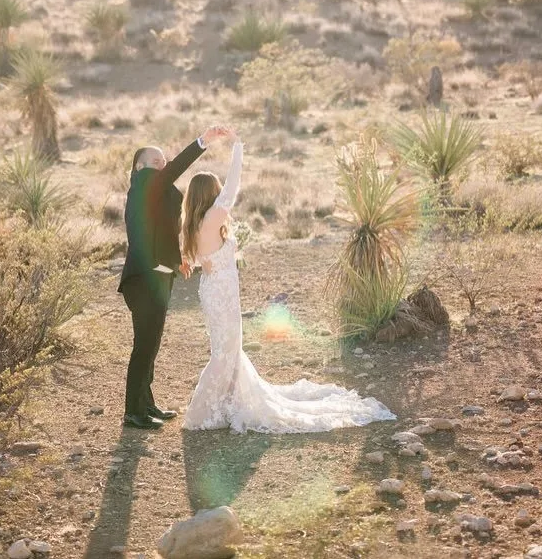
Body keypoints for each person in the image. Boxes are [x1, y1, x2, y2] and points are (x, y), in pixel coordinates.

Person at [181, 133, 396, 433]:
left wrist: (190, 263)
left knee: (226, 350)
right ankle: (207, 413)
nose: (220, 198)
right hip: (223, 294)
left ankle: (226, 403)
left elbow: (194, 261)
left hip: (214, 292)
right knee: (226, 352)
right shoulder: (215, 216)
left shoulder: (192, 224)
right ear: (210, 195)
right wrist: (239, 148)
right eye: (215, 193)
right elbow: (233, 188)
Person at [119, 124, 233, 428]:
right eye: (155, 161)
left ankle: (146, 404)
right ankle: (133, 411)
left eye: (163, 160)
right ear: (140, 167)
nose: (163, 164)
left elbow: (161, 231)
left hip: (157, 276)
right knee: (144, 345)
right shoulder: (144, 184)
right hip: (145, 278)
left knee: (151, 343)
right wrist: (202, 142)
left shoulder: (156, 192)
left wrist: (177, 259)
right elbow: (174, 172)